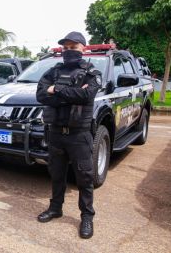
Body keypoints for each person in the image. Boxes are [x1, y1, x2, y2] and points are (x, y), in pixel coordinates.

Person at [36, 32, 101, 239]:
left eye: (73, 47)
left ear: (83, 48)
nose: (68, 51)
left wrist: (56, 91)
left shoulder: (92, 72)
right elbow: (40, 95)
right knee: (56, 174)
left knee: (84, 177)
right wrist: (67, 92)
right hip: (56, 132)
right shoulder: (53, 71)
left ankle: (87, 217)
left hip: (79, 134)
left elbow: (86, 95)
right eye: (66, 48)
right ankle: (56, 208)